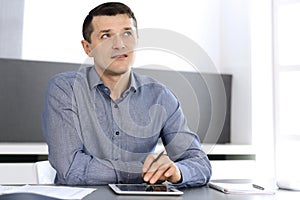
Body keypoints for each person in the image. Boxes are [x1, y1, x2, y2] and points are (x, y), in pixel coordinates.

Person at [42, 2, 212, 187]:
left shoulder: (160, 96)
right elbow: (71, 169)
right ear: (88, 48)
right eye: (106, 36)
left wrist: (176, 171)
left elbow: (200, 163)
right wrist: (143, 170)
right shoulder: (66, 89)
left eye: (127, 33)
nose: (119, 44)